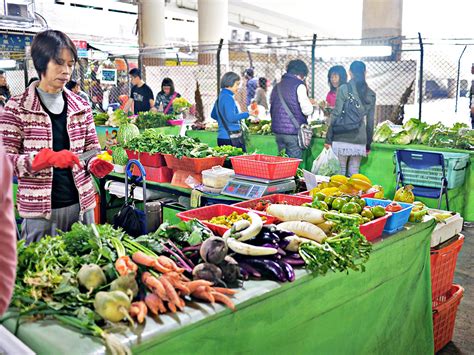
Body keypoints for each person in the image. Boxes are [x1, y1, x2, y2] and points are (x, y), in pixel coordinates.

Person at [0, 30, 114, 244]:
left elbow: (92, 150)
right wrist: (43, 159)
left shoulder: (81, 105)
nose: (66, 71)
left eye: (70, 64)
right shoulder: (17, 108)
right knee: (42, 273)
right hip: (40, 213)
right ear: (41, 63)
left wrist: (96, 163)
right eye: (59, 63)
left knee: (87, 270)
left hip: (82, 207)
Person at [325, 61, 376, 176]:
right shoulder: (371, 94)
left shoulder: (343, 88)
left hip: (341, 136)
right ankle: (355, 194)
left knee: (340, 173)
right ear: (365, 73)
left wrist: (328, 139)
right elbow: (370, 122)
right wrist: (368, 144)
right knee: (354, 173)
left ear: (350, 73)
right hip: (359, 138)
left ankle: (338, 195)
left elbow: (336, 114)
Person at [270, 59, 314, 158]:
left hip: (278, 132)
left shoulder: (277, 86)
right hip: (293, 133)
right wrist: (310, 103)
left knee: (283, 162)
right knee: (293, 165)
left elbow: (272, 108)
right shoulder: (299, 85)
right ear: (301, 74)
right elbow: (307, 110)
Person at [211, 72, 250, 151]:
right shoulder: (229, 98)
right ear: (229, 83)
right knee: (237, 162)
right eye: (237, 84)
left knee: (226, 162)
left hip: (222, 137)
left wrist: (222, 121)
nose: (238, 87)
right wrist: (246, 114)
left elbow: (213, 115)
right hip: (232, 139)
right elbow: (231, 118)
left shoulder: (220, 97)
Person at [0, 140, 16, 315]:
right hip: (40, 209)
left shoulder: (80, 111)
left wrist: (92, 162)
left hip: (81, 203)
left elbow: (92, 148)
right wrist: (35, 161)